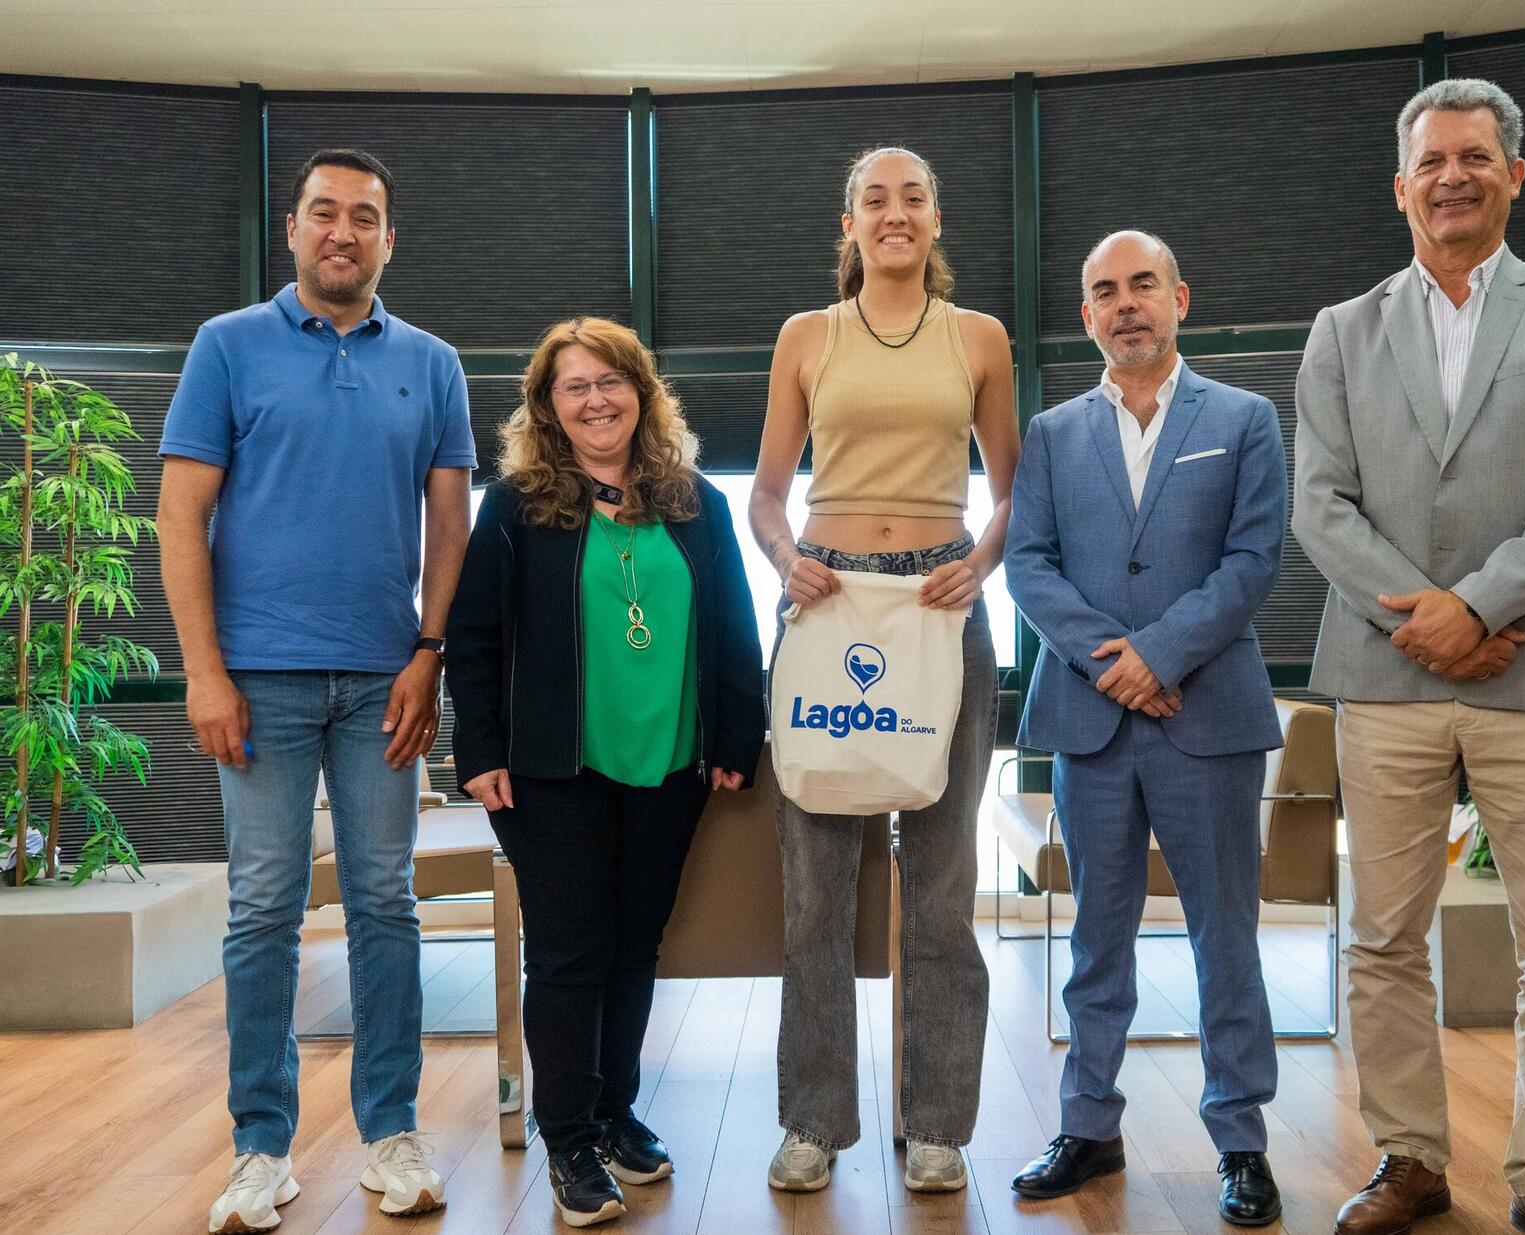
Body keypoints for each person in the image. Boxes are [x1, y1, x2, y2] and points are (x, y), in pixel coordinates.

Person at [1292, 79, 1525, 1235]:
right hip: (1384, 676)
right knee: (1381, 934)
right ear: (1399, 187)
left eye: (1474, 157)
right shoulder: (1340, 330)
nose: (1452, 176)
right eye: (1431, 160)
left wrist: (1477, 605)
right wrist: (1430, 621)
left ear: (1513, 176)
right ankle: (1410, 1157)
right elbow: (1319, 506)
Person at [158, 148, 468, 1233]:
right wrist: (203, 669)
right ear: (292, 227)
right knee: (263, 910)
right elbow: (179, 516)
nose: (344, 231)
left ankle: (391, 1130)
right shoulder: (227, 347)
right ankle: (259, 1147)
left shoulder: (430, 363)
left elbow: (450, 524)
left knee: (386, 902)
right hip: (256, 682)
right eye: (325, 213)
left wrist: (429, 654)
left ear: (391, 237)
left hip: (385, 681)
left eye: (366, 217)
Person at [446, 317, 763, 1229]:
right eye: (574, 386)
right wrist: (482, 750)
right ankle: (569, 1138)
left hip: (670, 762)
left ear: (642, 391)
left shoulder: (696, 500)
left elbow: (735, 626)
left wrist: (737, 739)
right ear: (548, 406)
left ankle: (617, 1111)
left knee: (635, 948)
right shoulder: (514, 506)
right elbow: (474, 637)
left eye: (611, 381)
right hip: (551, 768)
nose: (596, 400)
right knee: (569, 953)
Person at [748, 145, 1019, 1194]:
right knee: (813, 891)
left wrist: (976, 559)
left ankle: (937, 1122)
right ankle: (814, 1118)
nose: (894, 212)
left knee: (942, 886)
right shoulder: (806, 337)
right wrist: (784, 559)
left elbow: (1010, 493)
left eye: (912, 197)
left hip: (938, 614)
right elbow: (766, 497)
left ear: (935, 221)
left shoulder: (979, 338)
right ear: (849, 221)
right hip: (827, 607)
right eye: (874, 198)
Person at [1003, 230, 1287, 1224]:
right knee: (1096, 934)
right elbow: (1028, 564)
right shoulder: (1047, 434)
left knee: (1224, 933)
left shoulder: (1243, 418)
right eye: (1102, 292)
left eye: (1141, 286)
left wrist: (1157, 656)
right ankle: (1087, 1122)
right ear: (1085, 316)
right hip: (1090, 723)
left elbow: (1252, 561)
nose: (1124, 304)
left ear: (1179, 298)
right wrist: (1111, 664)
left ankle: (1240, 1137)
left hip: (1206, 714)